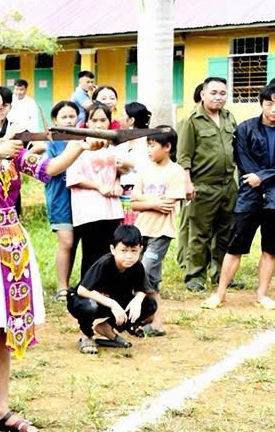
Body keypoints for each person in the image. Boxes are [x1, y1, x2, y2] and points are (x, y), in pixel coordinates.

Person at [0, 81, 91, 432]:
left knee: (4, 329)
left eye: (1, 109)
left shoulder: (5, 145)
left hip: (13, 242)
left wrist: (78, 145)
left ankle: (1, 407)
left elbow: (49, 169)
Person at [201, 83, 275, 312]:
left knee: (270, 248)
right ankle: (220, 294)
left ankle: (262, 295)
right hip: (248, 195)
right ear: (261, 104)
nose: (274, 109)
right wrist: (254, 177)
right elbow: (243, 159)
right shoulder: (245, 128)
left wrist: (261, 177)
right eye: (269, 104)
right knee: (235, 245)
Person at [177, 77, 237, 291]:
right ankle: (195, 276)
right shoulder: (191, 120)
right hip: (202, 186)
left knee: (225, 232)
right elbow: (183, 156)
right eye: (213, 92)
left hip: (229, 185)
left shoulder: (229, 118)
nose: (218, 97)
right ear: (202, 94)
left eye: (222, 93)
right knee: (199, 234)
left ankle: (221, 274)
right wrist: (187, 183)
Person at [128, 128, 185, 333]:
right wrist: (153, 202)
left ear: (167, 147)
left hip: (162, 232)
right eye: (148, 145)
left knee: (146, 269)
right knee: (150, 277)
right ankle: (154, 321)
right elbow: (133, 202)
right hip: (141, 229)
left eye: (153, 145)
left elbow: (168, 204)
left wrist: (144, 200)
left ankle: (148, 317)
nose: (149, 150)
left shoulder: (176, 171)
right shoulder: (145, 169)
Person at [69, 224, 157, 354]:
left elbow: (143, 288)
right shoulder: (104, 263)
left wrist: (138, 300)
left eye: (134, 251)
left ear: (140, 250)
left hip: (112, 302)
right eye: (124, 250)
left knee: (149, 304)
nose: (129, 256)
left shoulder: (137, 266)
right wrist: (112, 304)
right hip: (86, 301)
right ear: (113, 249)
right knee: (89, 306)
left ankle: (106, 328)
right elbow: (82, 290)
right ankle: (86, 335)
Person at [67, 103, 126, 279]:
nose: (99, 125)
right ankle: (88, 289)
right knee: (92, 252)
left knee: (110, 251)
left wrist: (116, 181)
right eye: (94, 120)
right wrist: (99, 186)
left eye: (103, 120)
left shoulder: (114, 145)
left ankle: (107, 288)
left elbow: (122, 169)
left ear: (109, 122)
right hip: (88, 209)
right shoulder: (78, 145)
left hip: (111, 208)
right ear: (87, 122)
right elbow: (73, 177)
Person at [42, 101, 81, 298]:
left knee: (74, 243)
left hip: (82, 199)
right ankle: (62, 287)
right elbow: (50, 168)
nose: (68, 120)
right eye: (64, 117)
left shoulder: (84, 138)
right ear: (56, 120)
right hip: (60, 198)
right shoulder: (51, 142)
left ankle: (73, 283)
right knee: (66, 241)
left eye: (72, 116)